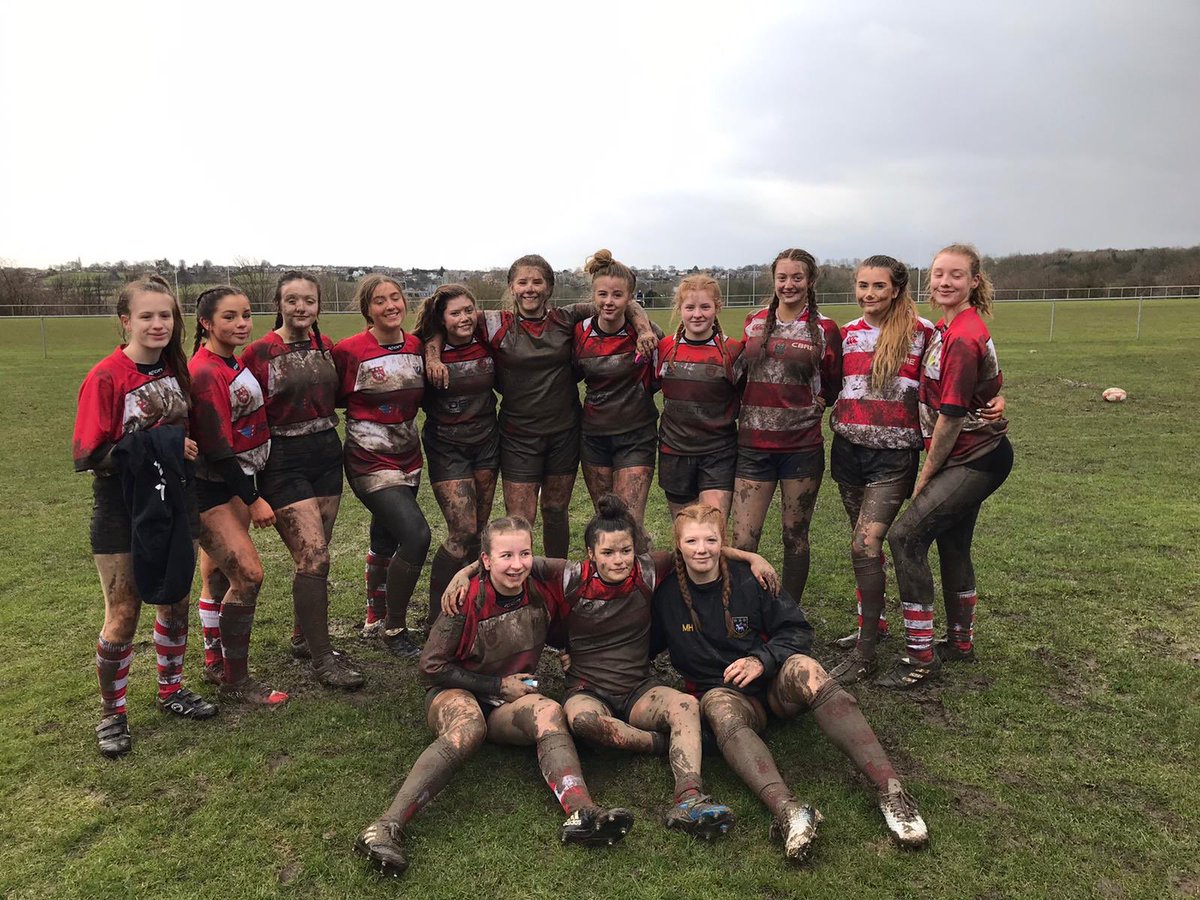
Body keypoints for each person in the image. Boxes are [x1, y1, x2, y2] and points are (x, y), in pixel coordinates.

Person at [441, 495, 779, 838]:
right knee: (583, 721)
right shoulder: (568, 576)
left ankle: (689, 798)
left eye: (625, 551)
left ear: (636, 550)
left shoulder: (648, 570)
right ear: (590, 553)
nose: (618, 560)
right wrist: (465, 572)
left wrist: (751, 557)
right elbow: (512, 561)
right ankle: (655, 743)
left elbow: (694, 551)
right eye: (607, 553)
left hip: (639, 688)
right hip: (587, 690)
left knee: (685, 705)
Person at [354, 515, 634, 878]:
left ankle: (583, 813)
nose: (517, 565)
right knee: (470, 725)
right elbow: (430, 668)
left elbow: (578, 597)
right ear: (486, 561)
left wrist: (569, 650)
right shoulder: (464, 597)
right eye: (505, 556)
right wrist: (498, 687)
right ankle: (385, 826)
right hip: (454, 692)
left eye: (525, 553)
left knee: (549, 710)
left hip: (508, 701)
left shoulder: (542, 583)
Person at [651, 503, 929, 860]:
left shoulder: (751, 577)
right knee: (718, 707)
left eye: (710, 539)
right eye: (691, 541)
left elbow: (797, 631)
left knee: (808, 668)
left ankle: (892, 793)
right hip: (728, 697)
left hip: (774, 684)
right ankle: (789, 812)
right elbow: (640, 644)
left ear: (724, 542)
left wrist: (761, 660)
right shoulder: (666, 595)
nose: (701, 549)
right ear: (678, 546)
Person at [425, 254, 656, 557]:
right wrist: (432, 357)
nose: (529, 288)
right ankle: (520, 582)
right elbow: (445, 322)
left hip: (564, 433)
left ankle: (555, 580)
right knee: (520, 520)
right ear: (512, 287)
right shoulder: (494, 322)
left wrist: (644, 329)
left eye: (537, 282)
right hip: (518, 436)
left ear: (549, 287)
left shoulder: (566, 317)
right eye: (522, 282)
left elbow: (626, 303)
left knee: (555, 509)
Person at [73, 275, 218, 758]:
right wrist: (165, 444)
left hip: (175, 499)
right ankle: (112, 714)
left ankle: (171, 689)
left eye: (165, 315)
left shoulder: (174, 370)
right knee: (124, 611)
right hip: (121, 506)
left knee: (174, 596)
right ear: (125, 321)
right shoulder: (107, 376)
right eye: (146, 316)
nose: (158, 324)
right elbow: (90, 454)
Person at [879, 244, 1013, 689]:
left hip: (973, 457)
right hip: (971, 452)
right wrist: (995, 401)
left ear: (975, 281)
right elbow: (987, 384)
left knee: (905, 537)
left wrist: (927, 473)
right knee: (953, 545)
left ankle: (920, 657)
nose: (944, 282)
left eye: (956, 275)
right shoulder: (946, 326)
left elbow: (953, 417)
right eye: (938, 274)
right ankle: (959, 644)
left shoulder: (962, 335)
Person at [240, 271, 363, 689]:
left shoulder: (327, 347)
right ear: (279, 303)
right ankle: (323, 659)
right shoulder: (258, 353)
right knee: (315, 557)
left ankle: (302, 637)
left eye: (308, 301)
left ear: (318, 305)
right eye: (292, 300)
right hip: (283, 461)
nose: (300, 308)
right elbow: (242, 414)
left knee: (317, 554)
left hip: (327, 453)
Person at [189, 286, 288, 707]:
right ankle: (236, 679)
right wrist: (253, 498)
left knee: (218, 576)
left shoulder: (230, 361)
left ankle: (215, 662)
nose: (241, 323)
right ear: (206, 323)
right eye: (229, 317)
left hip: (235, 482)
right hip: (214, 488)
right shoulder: (207, 371)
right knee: (248, 575)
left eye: (246, 315)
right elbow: (216, 446)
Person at [732, 249, 842, 604]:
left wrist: (817, 402)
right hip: (752, 446)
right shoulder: (753, 322)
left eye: (797, 278)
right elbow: (739, 375)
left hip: (801, 447)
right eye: (783, 277)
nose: (789, 284)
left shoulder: (825, 329)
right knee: (744, 539)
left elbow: (832, 382)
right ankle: (745, 609)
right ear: (773, 279)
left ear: (810, 281)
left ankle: (788, 612)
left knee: (795, 535)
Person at [334, 275, 430, 657]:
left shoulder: (418, 347)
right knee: (417, 535)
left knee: (385, 537)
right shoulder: (349, 350)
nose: (390, 305)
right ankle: (394, 627)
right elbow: (330, 397)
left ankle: (374, 615)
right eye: (379, 301)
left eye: (396, 298)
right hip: (368, 457)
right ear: (367, 310)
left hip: (409, 454)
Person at [411, 283, 498, 629]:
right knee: (461, 531)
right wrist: (432, 355)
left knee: (479, 534)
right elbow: (426, 338)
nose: (464, 318)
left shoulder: (486, 337)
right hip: (448, 446)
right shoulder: (426, 347)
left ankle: (472, 608)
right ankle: (438, 615)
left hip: (488, 444)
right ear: (441, 319)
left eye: (468, 311)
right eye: (455, 313)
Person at [572, 250, 664, 522]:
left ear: (630, 298)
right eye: (602, 294)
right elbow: (572, 374)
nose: (609, 302)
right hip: (594, 437)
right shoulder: (579, 332)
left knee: (629, 519)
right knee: (606, 520)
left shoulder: (648, 333)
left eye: (617, 295)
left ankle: (637, 564)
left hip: (636, 435)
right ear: (593, 296)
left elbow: (659, 378)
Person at [656, 274, 743, 519]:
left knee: (711, 528)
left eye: (705, 306)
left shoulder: (733, 352)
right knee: (685, 533)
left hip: (718, 453)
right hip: (674, 452)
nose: (697, 314)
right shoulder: (664, 348)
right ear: (679, 309)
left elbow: (747, 396)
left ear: (718, 307)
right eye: (690, 307)